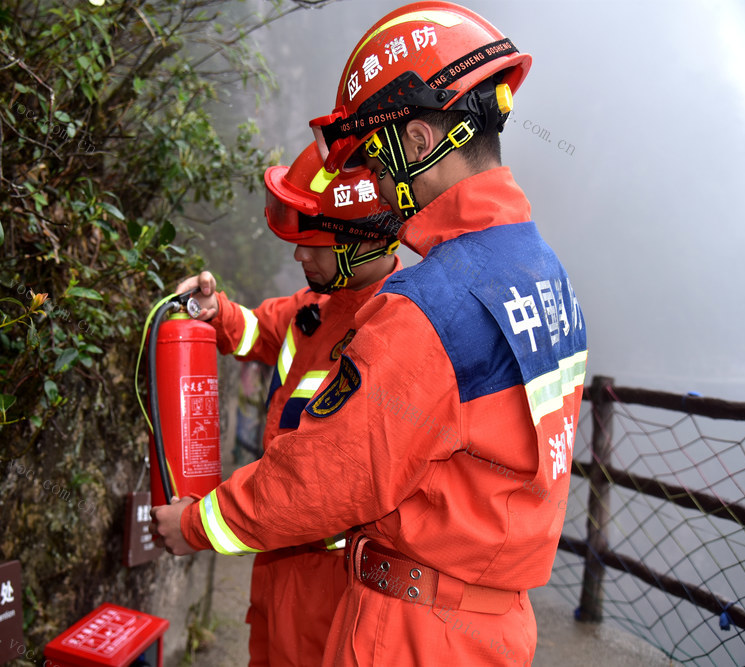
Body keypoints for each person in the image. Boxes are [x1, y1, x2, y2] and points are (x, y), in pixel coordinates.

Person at [153, 3, 588, 665]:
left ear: (417, 141)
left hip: (413, 631)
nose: (378, 187)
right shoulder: (546, 276)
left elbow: (319, 479)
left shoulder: (426, 309)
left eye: (376, 158)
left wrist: (192, 522)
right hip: (492, 627)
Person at [175, 141, 403, 666]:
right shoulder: (314, 307)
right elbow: (257, 328)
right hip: (278, 559)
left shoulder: (392, 330)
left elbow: (323, 482)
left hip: (337, 586)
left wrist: (193, 526)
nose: (300, 255)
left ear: (367, 241)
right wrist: (213, 310)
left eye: (316, 242)